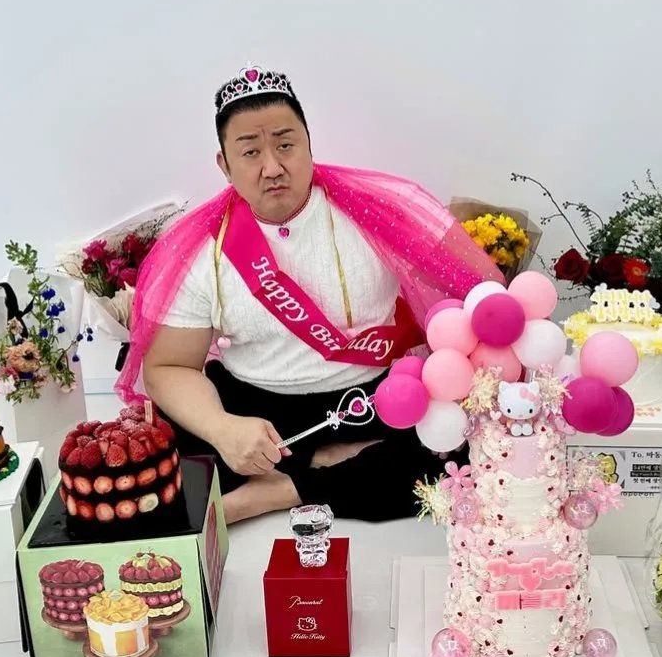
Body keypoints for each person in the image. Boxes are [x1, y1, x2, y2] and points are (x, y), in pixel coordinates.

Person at [114, 66, 501, 523]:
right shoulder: (204, 249)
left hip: (372, 400)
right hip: (258, 409)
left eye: (285, 145)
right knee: (165, 454)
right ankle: (333, 465)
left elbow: (477, 302)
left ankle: (279, 489)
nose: (272, 167)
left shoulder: (376, 215)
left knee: (462, 442)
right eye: (250, 152)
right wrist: (224, 429)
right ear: (224, 165)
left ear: (309, 143)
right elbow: (169, 367)